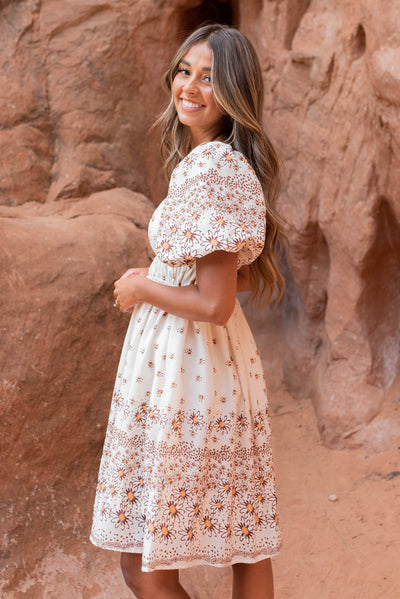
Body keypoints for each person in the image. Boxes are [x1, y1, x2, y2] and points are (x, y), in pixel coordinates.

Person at [90, 23, 284, 599]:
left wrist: (142, 287)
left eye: (210, 78)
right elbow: (231, 279)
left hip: (191, 375)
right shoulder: (210, 163)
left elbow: (215, 303)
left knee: (143, 569)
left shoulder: (216, 169)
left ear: (236, 94)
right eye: (185, 71)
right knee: (245, 540)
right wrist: (162, 277)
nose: (191, 87)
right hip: (197, 368)